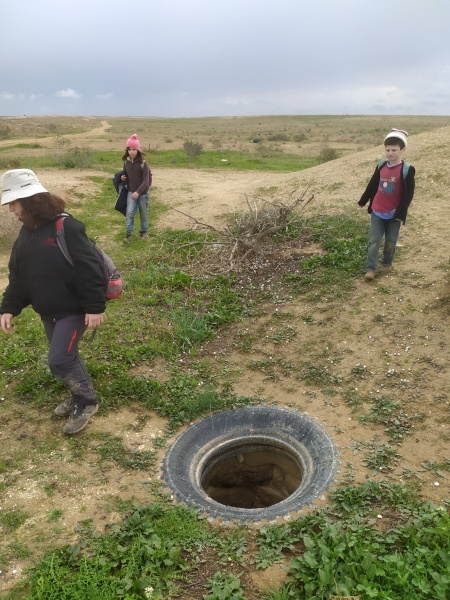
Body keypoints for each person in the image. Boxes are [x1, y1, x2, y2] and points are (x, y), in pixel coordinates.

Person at [0, 169, 106, 434]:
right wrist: (9, 308)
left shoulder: (66, 227)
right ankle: (78, 394)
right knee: (67, 356)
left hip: (74, 310)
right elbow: (18, 275)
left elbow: (90, 268)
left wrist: (94, 307)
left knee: (59, 360)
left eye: (13, 203)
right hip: (48, 312)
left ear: (30, 200)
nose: (11, 209)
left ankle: (87, 401)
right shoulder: (26, 233)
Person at [358, 128, 416, 281]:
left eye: (394, 150)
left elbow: (409, 195)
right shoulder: (381, 165)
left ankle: (386, 263)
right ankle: (370, 268)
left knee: (391, 241)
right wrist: (363, 201)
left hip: (394, 214)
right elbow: (373, 184)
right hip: (377, 210)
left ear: (403, 150)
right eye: (387, 150)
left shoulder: (407, 170)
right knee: (374, 241)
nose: (390, 153)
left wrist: (401, 214)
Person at [121, 134, 150, 242]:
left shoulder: (143, 163)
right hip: (130, 192)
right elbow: (125, 174)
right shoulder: (126, 162)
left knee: (143, 213)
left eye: (134, 149)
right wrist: (122, 177)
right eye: (129, 149)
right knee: (129, 213)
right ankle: (128, 234)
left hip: (143, 193)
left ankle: (144, 232)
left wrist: (138, 192)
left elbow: (145, 180)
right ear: (127, 150)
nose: (132, 152)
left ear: (138, 150)